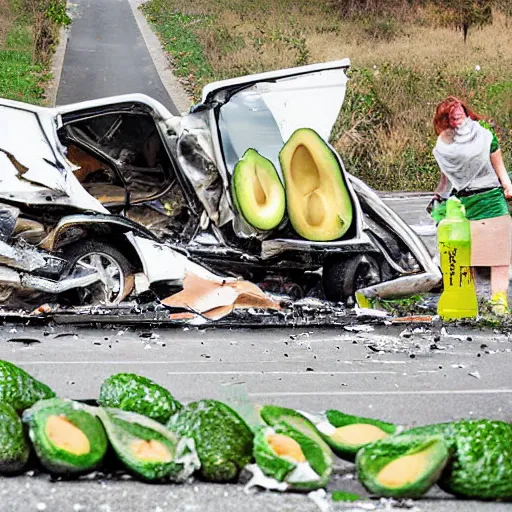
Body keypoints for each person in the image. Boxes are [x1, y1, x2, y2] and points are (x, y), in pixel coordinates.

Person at [429, 96, 512, 316]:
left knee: (498, 255)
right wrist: (438, 198)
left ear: (467, 114)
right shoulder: (444, 146)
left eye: (460, 113)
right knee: (467, 256)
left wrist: (507, 186)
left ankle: (498, 302)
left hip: (490, 198)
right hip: (462, 203)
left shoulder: (484, 137)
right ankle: (468, 301)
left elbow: (499, 166)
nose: (458, 119)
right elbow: (446, 181)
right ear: (445, 121)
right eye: (451, 116)